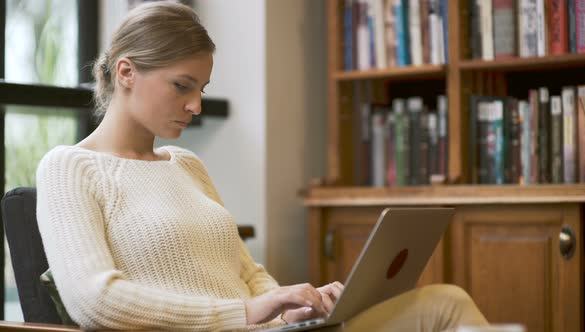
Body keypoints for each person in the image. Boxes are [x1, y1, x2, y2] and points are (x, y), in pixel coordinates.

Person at [35, 1, 489, 331]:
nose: (194, 105)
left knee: (446, 303)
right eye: (181, 86)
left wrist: (289, 307)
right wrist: (245, 313)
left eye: (202, 89)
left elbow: (246, 272)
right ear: (126, 72)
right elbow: (95, 300)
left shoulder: (186, 165)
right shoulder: (70, 169)